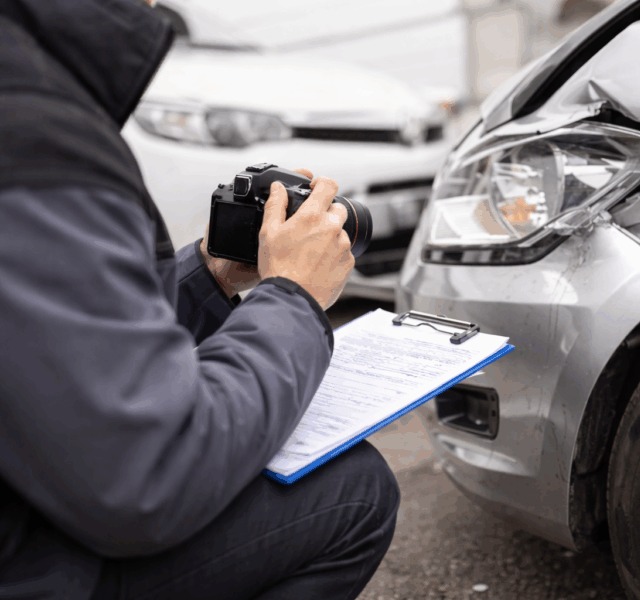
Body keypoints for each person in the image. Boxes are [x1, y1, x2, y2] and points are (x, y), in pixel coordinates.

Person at [0, 0, 401, 598]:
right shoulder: (36, 132)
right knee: (355, 490)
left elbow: (58, 347)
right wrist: (292, 299)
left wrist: (208, 276)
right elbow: (146, 477)